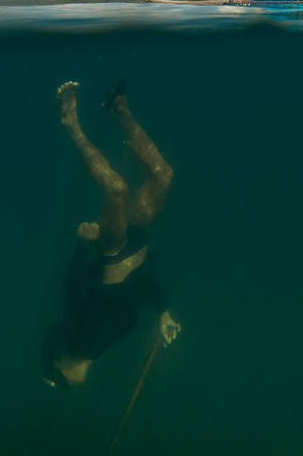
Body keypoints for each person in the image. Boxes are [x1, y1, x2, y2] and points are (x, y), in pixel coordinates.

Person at [41, 77, 180, 388]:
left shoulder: (77, 340)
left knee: (116, 189)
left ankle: (71, 124)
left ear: (59, 363)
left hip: (113, 253)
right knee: (164, 176)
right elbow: (140, 284)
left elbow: (70, 287)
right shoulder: (99, 348)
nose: (70, 384)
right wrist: (163, 313)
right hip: (139, 244)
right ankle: (119, 108)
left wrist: (82, 247)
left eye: (62, 381)